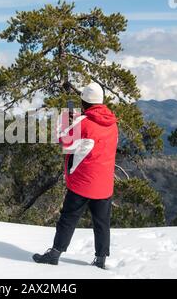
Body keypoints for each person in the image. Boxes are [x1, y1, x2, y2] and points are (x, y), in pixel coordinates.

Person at [32, 83, 118, 269]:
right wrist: (78, 119)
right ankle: (101, 260)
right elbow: (93, 134)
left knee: (68, 218)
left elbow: (63, 142)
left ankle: (55, 254)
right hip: (104, 184)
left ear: (84, 102)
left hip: (82, 183)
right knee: (102, 223)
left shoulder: (84, 124)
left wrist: (66, 119)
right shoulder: (112, 123)